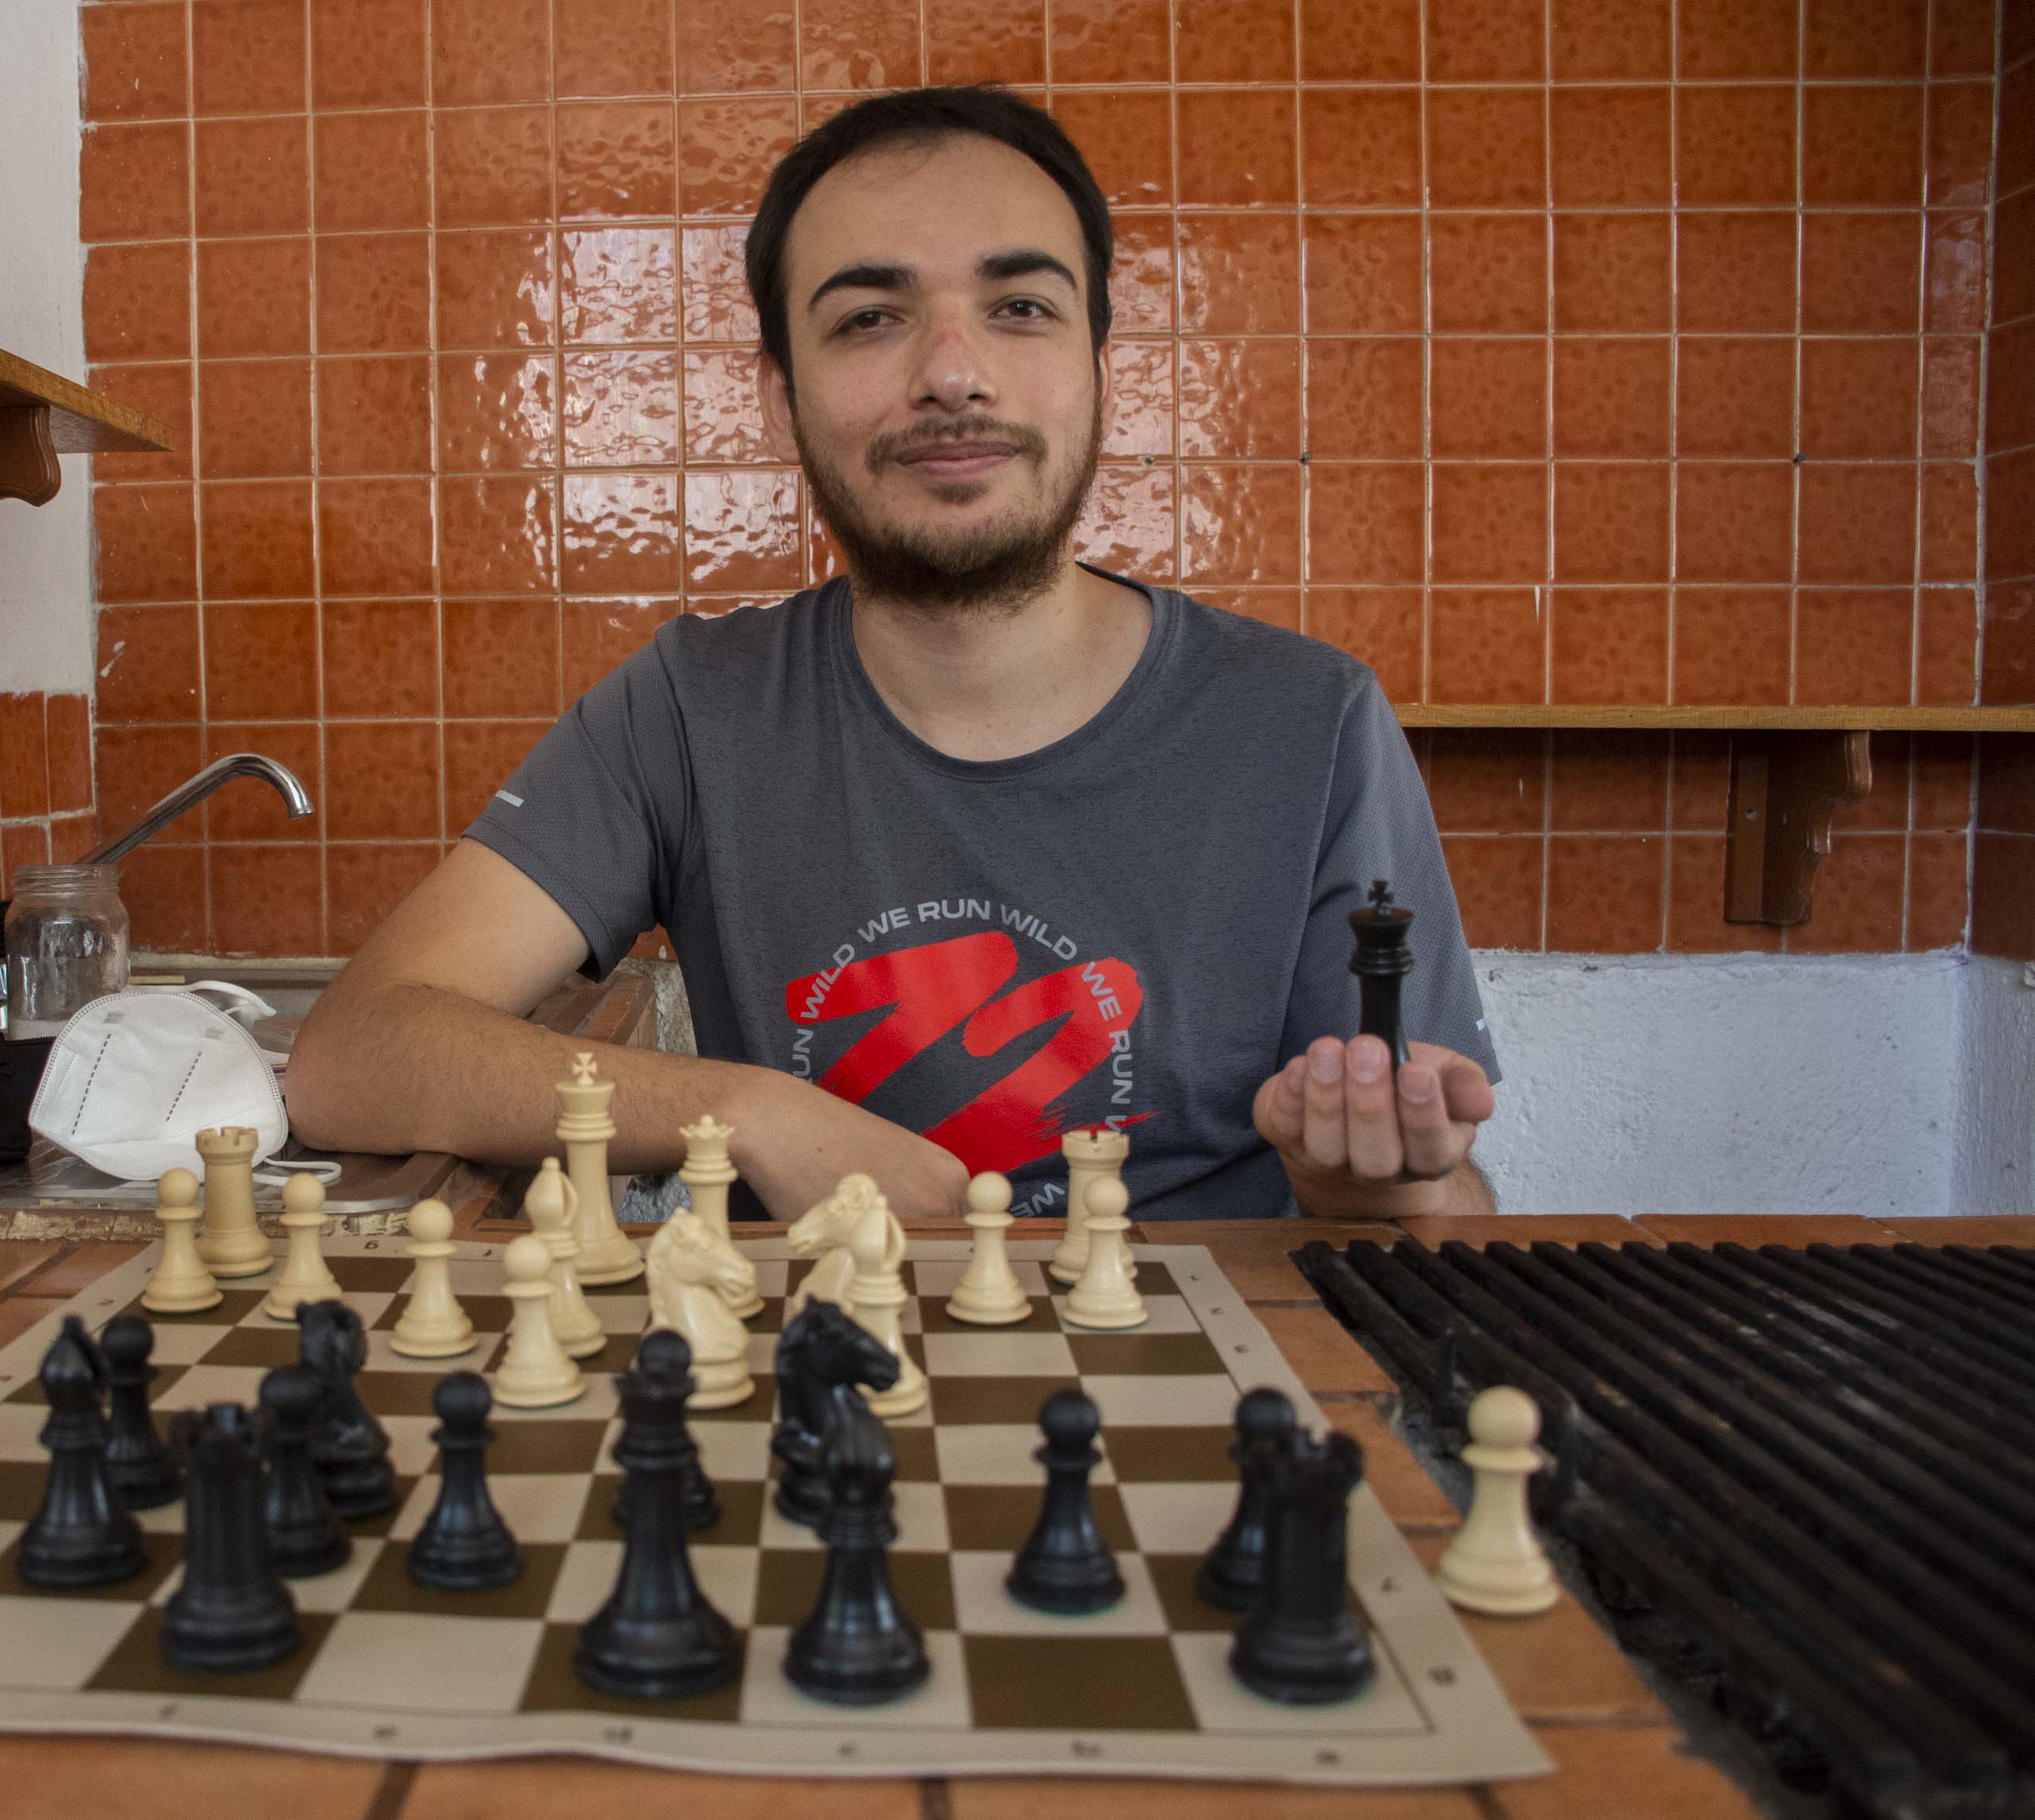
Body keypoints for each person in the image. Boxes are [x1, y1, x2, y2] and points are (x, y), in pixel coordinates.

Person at [286, 85, 1498, 1225]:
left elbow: (1447, 1222)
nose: (952, 374)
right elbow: (355, 1052)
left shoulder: (1311, 724)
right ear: (780, 400)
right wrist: (749, 1110)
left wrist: (1363, 1182)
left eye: (1020, 306)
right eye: (870, 317)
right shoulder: (690, 710)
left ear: (1099, 370)